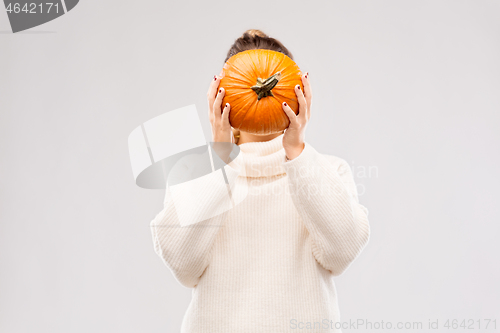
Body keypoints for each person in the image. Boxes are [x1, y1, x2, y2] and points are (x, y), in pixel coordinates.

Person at [150, 29, 370, 333]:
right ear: (222, 95)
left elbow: (341, 253)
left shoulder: (327, 171)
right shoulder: (198, 173)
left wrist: (296, 151)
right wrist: (221, 155)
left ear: (298, 95)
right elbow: (183, 264)